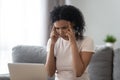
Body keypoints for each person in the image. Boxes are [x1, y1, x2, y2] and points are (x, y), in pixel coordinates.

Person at [45, 5, 94, 80]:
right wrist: (52, 44)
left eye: (64, 28)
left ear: (73, 24)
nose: (61, 32)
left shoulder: (87, 41)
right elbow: (49, 73)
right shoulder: (53, 41)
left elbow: (78, 72)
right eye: (57, 28)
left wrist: (73, 42)